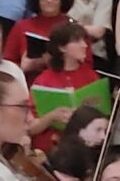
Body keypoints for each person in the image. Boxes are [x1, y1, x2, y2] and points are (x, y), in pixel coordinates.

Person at [28, 22, 106, 153]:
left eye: (84, 40)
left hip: (82, 148)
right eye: (77, 41)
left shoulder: (91, 76)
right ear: (62, 47)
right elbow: (30, 128)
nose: (84, 45)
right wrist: (51, 116)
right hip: (48, 148)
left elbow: (102, 115)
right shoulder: (43, 80)